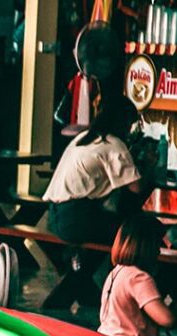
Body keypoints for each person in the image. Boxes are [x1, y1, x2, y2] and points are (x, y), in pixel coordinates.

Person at [43, 95, 142, 245]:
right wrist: (150, 165)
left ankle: (82, 266)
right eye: (129, 124)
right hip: (74, 220)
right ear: (122, 122)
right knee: (131, 232)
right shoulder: (114, 144)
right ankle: (113, 268)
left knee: (115, 227)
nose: (129, 130)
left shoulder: (83, 137)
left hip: (53, 215)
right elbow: (136, 188)